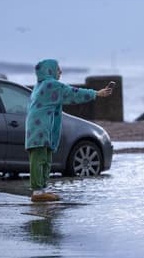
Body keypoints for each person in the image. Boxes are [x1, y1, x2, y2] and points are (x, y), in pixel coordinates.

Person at [25, 59, 113, 203]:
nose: (60, 71)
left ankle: (41, 190)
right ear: (49, 70)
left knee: (44, 158)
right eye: (57, 69)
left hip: (39, 127)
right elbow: (72, 93)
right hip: (40, 128)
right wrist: (96, 93)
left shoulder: (40, 85)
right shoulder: (50, 84)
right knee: (40, 158)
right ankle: (38, 192)